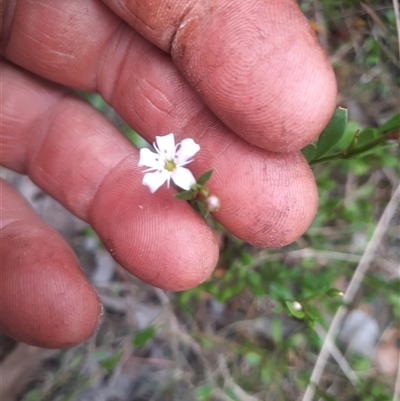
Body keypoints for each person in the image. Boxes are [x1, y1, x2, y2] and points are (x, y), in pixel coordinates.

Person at [0, 0, 337, 348]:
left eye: (171, 165)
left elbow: (179, 171)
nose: (170, 165)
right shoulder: (170, 168)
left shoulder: (177, 165)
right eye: (169, 165)